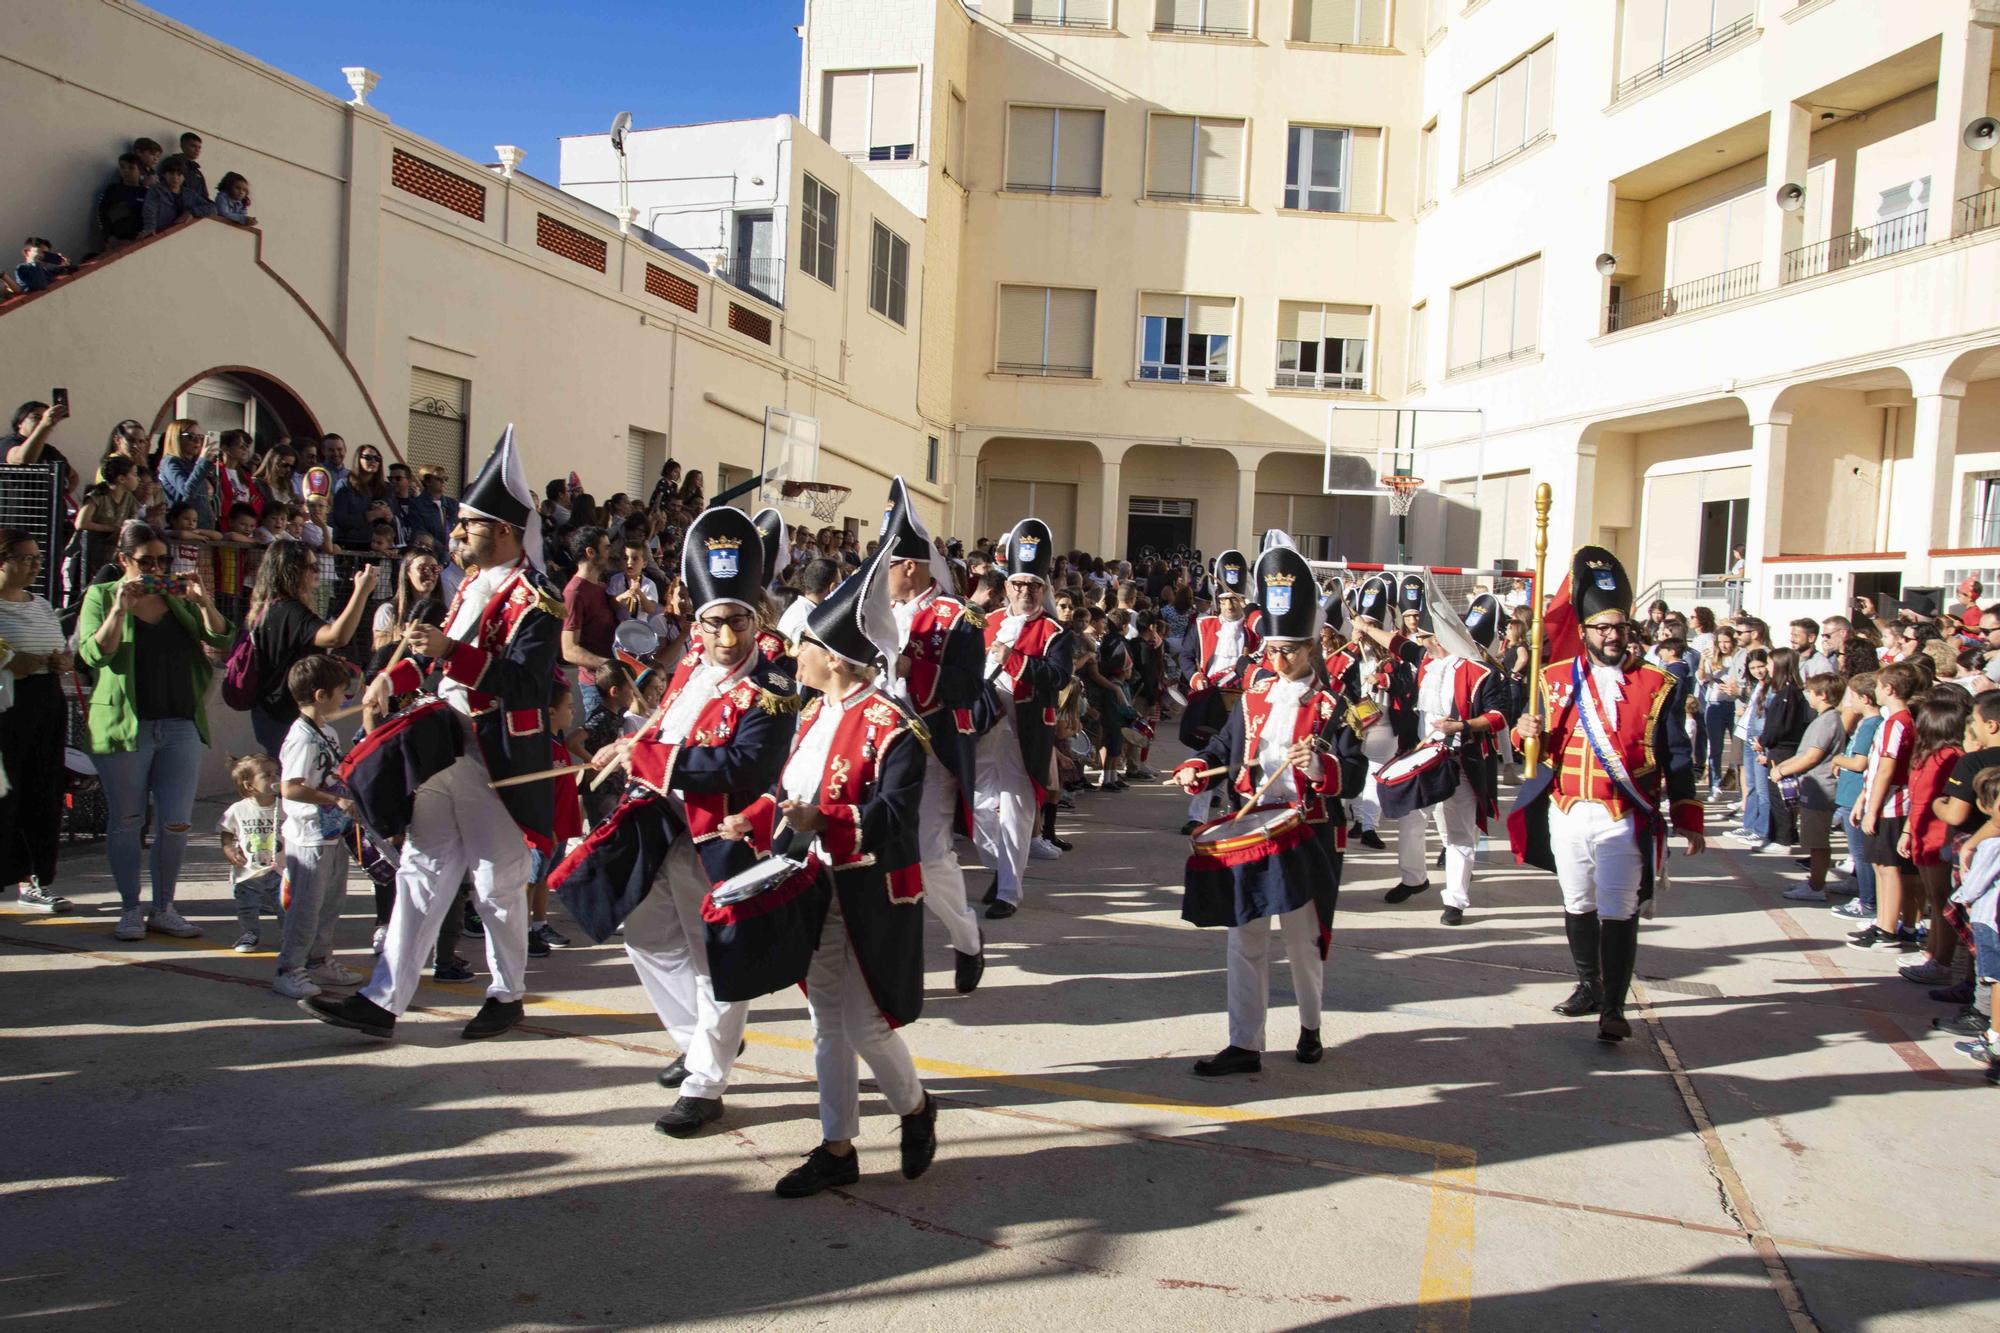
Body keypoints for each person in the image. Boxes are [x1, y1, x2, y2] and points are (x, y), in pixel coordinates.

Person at [305, 427, 563, 1043]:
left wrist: (452, 654)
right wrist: (390, 677)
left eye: (468, 527)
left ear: (503, 530)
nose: (456, 537)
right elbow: (429, 651)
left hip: (493, 755)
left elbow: (527, 686)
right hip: (442, 745)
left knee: (497, 881)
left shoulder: (537, 597)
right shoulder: (468, 586)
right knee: (422, 871)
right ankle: (382, 998)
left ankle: (507, 992)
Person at [565, 505, 795, 1136]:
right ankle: (701, 1041)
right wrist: (627, 741)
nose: (727, 639)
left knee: (718, 955)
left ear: (755, 620)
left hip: (721, 837)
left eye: (738, 624)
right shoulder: (691, 663)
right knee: (643, 932)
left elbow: (745, 765)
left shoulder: (774, 683)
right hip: (658, 821)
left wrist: (649, 754)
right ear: (699, 623)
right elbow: (669, 723)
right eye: (716, 624)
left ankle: (706, 1082)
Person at [715, 559, 938, 1197]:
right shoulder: (811, 716)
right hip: (813, 886)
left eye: (803, 645)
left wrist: (827, 818)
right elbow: (789, 792)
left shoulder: (895, 727)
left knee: (864, 1024)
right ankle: (837, 1146)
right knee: (824, 1024)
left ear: (834, 657)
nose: (793, 653)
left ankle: (917, 1109)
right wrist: (755, 817)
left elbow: (893, 819)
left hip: (868, 892)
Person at [1511, 546, 1704, 1042]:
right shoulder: (1553, 680)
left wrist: (1688, 813)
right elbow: (1533, 752)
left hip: (1623, 815)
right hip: (1567, 810)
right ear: (1585, 631)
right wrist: (1524, 730)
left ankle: (1614, 1007)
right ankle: (1589, 985)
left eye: (1618, 627)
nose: (1611, 636)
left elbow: (1677, 752)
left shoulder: (1658, 684)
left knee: (1618, 908)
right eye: (1601, 628)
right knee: (1577, 902)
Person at [1172, 541, 1346, 1076]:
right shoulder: (1251, 698)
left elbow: (1358, 772)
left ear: (1313, 645)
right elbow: (1224, 750)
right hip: (1253, 825)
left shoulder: (1336, 705)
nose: (1277, 660)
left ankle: (1311, 1026)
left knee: (1301, 940)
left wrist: (1319, 766)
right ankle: (1245, 1043)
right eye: (1271, 650)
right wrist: (1197, 766)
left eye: (1289, 649)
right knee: (1243, 936)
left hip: (1306, 832)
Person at [76, 522, 235, 941]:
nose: (157, 568)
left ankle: (164, 906)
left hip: (179, 721)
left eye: (163, 560)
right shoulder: (102, 595)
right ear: (125, 560)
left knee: (176, 822)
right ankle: (130, 908)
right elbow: (94, 653)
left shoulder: (173, 596)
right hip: (126, 725)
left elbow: (220, 636)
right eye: (147, 561)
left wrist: (203, 602)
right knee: (127, 820)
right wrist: (119, 609)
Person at [880, 478, 992, 993]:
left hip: (927, 750)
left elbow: (969, 686)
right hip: (873, 748)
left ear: (908, 566)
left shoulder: (958, 616)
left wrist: (909, 668)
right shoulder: (872, 614)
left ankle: (966, 939)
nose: (879, 578)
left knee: (929, 854)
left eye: (886, 567)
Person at [979, 518, 1074, 915]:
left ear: (1044, 589)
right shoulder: (988, 622)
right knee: (979, 804)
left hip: (1025, 728)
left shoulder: (1056, 632)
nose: (1026, 593)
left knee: (1017, 809)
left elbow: (1057, 676)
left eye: (1034, 586)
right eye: (1019, 585)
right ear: (1007, 588)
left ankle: (1007, 892)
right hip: (984, 724)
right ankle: (1001, 868)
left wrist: (1013, 659)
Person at [1403, 577, 1507, 925]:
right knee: (1414, 817)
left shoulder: (1479, 673)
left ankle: (1456, 901)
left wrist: (1461, 726)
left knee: (1461, 830)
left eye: (1427, 638)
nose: (1423, 643)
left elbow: (1497, 717)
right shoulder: (1427, 666)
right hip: (1424, 757)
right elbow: (1396, 646)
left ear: (1440, 637)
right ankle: (1413, 879)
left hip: (1461, 759)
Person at [273, 655, 365, 1000]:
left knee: (331, 903)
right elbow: (290, 787)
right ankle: (289, 968)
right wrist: (333, 799)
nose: (347, 698)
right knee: (306, 908)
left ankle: (319, 960)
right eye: (343, 692)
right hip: (308, 836)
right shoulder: (302, 738)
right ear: (321, 695)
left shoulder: (324, 730)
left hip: (330, 834)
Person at [245, 539, 374, 756]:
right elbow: (336, 637)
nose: (318, 571)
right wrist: (361, 592)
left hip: (271, 712)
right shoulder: (290, 610)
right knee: (297, 784)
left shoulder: (270, 608)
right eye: (312, 567)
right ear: (291, 570)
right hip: (286, 716)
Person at [0, 531, 73, 911]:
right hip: (7, 708)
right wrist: (11, 662)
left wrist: (63, 660)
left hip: (46, 701)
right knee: (4, 795)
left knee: (42, 791)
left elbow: (59, 647)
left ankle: (34, 880)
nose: (34, 566)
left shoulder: (42, 604)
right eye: (25, 559)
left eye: (37, 559)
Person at [1338, 576, 1427, 888]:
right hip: (1355, 721)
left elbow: (1410, 686)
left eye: (1371, 625)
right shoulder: (1348, 653)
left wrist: (1386, 682)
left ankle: (1368, 826)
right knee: (1353, 769)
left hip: (1387, 720)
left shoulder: (1397, 656)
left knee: (1375, 771)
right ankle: (1358, 818)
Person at [1897, 689, 1972, 982]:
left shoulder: (1951, 757)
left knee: (1942, 901)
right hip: (1921, 832)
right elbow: (1916, 799)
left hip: (1939, 835)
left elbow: (1941, 800)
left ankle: (1942, 961)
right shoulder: (1927, 755)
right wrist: (1908, 831)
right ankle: (1933, 951)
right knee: (1933, 897)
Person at [1850, 662, 1924, 950]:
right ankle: (1883, 920)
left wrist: (1872, 808)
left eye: (1880, 686)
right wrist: (1863, 798)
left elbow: (1886, 769)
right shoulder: (1892, 721)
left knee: (1889, 866)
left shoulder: (1898, 722)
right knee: (1880, 864)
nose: (1877, 691)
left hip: (1893, 803)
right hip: (1880, 799)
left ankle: (1889, 929)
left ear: (1889, 689)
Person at [1770, 674, 1848, 902]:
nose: (1807, 696)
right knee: (1814, 841)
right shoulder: (1824, 719)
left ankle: (1816, 886)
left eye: (1810, 692)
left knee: (1817, 842)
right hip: (1813, 786)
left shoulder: (1828, 721)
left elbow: (1812, 756)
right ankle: (1815, 880)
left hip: (1820, 787)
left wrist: (1782, 771)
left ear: (1822, 695)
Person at [561, 526, 619, 719]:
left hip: (617, 683)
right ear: (590, 552)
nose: (611, 553)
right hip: (596, 687)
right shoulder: (574, 593)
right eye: (607, 548)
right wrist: (609, 665)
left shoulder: (604, 587)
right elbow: (569, 649)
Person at [370, 549, 446, 668]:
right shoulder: (388, 610)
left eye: (434, 568)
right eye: (422, 568)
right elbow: (380, 650)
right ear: (407, 573)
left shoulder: (445, 611)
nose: (429, 573)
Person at [156, 419, 220, 530]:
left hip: (202, 527)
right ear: (176, 438)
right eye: (190, 436)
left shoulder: (195, 464)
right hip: (182, 528)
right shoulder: (170, 462)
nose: (197, 441)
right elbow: (187, 490)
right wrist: (202, 461)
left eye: (200, 437)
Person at [330, 444, 390, 549]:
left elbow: (393, 518)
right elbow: (340, 519)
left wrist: (390, 516)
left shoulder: (385, 488)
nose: (373, 461)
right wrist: (370, 515)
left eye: (377, 458)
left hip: (376, 547)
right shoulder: (345, 485)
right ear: (358, 459)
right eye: (368, 457)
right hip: (350, 544)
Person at [96, 153, 149, 251]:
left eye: (131, 168)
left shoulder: (147, 193)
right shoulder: (112, 190)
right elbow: (101, 215)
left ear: (140, 171)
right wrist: (110, 238)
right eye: (122, 167)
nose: (126, 171)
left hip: (140, 243)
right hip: (114, 243)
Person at [141, 155, 192, 236]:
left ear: (184, 177)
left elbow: (210, 207)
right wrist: (150, 228)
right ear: (164, 174)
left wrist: (191, 212)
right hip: (160, 234)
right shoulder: (156, 190)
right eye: (172, 173)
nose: (175, 178)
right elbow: (149, 210)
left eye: (179, 174)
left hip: (182, 235)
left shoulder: (188, 193)